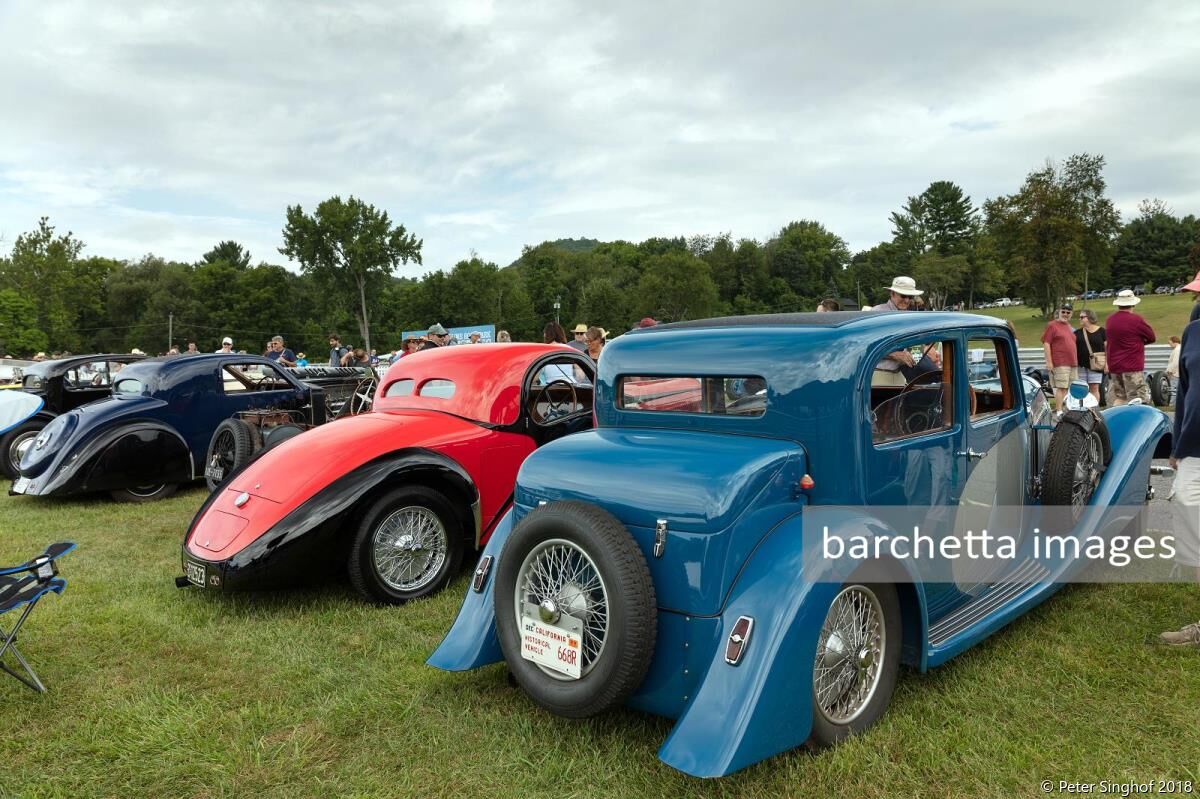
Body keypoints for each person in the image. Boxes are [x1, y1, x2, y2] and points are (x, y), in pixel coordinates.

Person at [1164, 317, 1200, 646]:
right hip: (1194, 449)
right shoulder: (1193, 329)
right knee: (1188, 511)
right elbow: (1184, 393)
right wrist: (1176, 445)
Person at [1106, 290, 1155, 405]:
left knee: (1119, 396)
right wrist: (1139, 342)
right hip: (1132, 365)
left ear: (1118, 304)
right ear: (1133, 304)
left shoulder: (1110, 320)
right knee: (1137, 397)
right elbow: (1151, 337)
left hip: (1114, 365)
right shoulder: (1136, 320)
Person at [1040, 304, 1077, 413]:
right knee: (1061, 387)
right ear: (1059, 312)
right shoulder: (1052, 325)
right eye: (1063, 311)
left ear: (1071, 314)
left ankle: (1065, 409)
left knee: (1068, 388)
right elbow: (1046, 343)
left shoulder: (1070, 327)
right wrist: (1049, 361)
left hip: (1072, 362)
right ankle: (1059, 411)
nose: (1065, 314)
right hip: (1060, 362)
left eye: (1068, 312)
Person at [1074, 308, 1107, 404]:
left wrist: (1107, 364)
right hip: (1081, 365)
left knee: (1094, 387)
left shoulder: (1102, 331)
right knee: (1081, 388)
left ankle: (1094, 409)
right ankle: (1081, 408)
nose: (1079, 319)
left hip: (1096, 365)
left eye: (1082, 317)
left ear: (1089, 317)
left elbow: (1107, 348)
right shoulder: (1077, 333)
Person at [1167, 334, 1181, 402]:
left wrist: (1170, 371)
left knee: (1173, 389)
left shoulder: (1177, 350)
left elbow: (1175, 362)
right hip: (1177, 372)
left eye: (1170, 343)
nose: (1170, 345)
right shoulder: (1178, 349)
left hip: (1175, 373)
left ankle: (1172, 403)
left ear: (1174, 342)